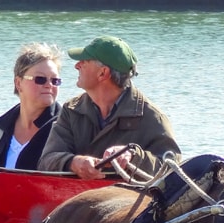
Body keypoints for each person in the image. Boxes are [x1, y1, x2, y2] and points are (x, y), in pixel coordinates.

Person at [38, 35, 180, 179]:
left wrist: (134, 157)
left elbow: (172, 169)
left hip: (129, 200)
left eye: (84, 61)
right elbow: (47, 160)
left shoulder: (152, 117)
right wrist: (73, 162)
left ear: (103, 73)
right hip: (73, 199)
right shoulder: (71, 110)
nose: (77, 65)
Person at [0, 42, 62, 171]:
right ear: (18, 83)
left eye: (55, 81)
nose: (49, 85)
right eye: (40, 79)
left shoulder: (67, 130)